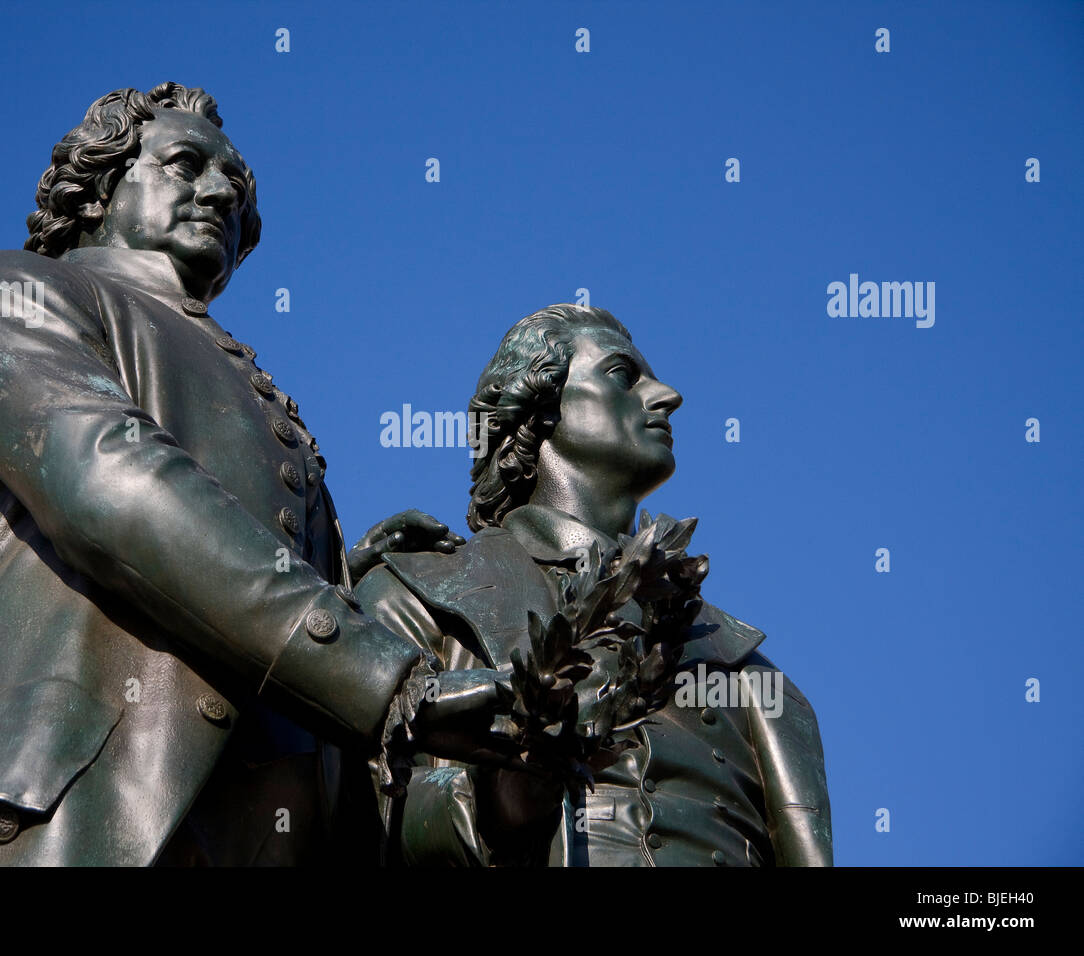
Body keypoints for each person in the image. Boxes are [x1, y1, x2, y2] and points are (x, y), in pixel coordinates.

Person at [0, 82, 477, 867]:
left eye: (235, 186)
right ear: (99, 189)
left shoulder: (251, 390)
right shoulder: (7, 294)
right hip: (54, 822)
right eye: (185, 164)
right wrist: (379, 670)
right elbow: (114, 489)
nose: (219, 193)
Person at [356, 304, 834, 866]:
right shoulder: (416, 591)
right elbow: (362, 817)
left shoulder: (748, 671)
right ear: (540, 405)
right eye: (623, 375)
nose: (667, 394)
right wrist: (501, 799)